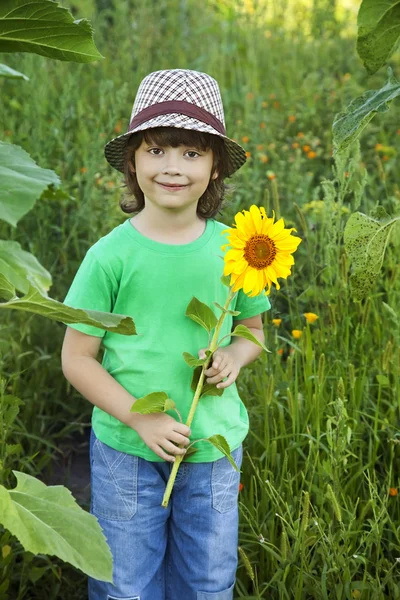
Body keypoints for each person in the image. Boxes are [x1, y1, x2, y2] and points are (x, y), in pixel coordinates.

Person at [61, 69, 271, 600]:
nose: (173, 167)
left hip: (213, 446)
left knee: (207, 580)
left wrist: (233, 357)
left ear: (215, 165)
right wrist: (139, 415)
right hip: (127, 448)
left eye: (192, 153)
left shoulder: (237, 250)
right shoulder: (110, 256)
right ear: (132, 160)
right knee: (126, 584)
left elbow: (253, 333)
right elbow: (78, 358)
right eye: (157, 150)